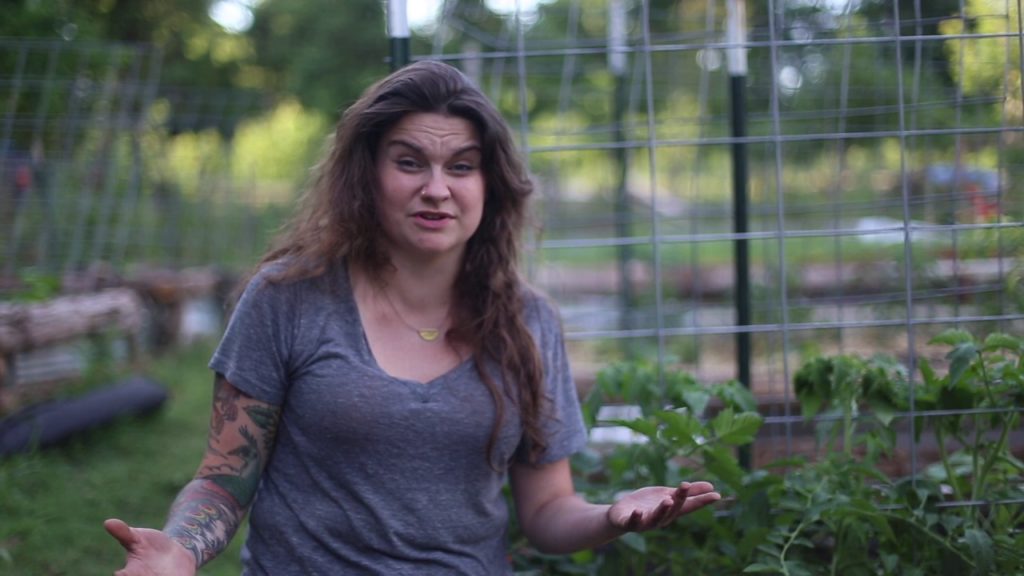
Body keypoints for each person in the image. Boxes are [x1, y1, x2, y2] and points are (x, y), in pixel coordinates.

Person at [104, 59, 721, 575]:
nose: (436, 188)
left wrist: (608, 517)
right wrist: (182, 548)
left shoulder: (529, 324)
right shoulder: (288, 298)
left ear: (490, 184)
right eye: (409, 162)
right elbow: (225, 475)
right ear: (367, 175)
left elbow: (546, 510)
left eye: (460, 166)